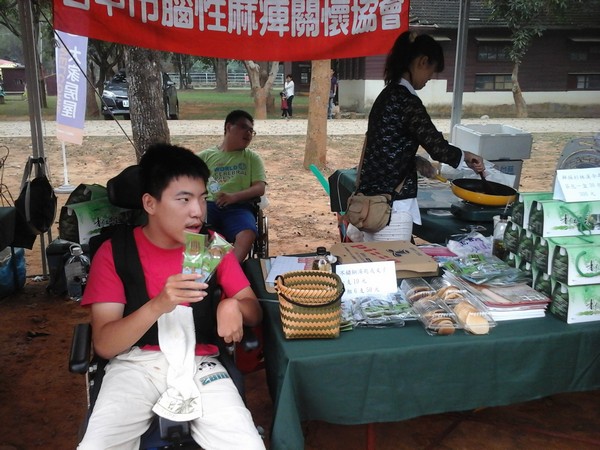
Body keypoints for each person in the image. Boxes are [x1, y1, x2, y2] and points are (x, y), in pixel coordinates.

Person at [77, 143, 265, 450]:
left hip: (201, 364)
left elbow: (253, 310)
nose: (198, 211)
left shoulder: (208, 247)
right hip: (134, 365)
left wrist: (234, 305)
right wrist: (158, 305)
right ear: (150, 203)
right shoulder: (116, 253)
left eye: (202, 198)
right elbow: (106, 345)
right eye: (184, 199)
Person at [352, 31, 484, 242]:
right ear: (422, 61)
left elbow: (387, 146)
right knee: (394, 260)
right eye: (431, 73)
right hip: (392, 206)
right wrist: (466, 156)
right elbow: (437, 147)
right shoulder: (407, 101)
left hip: (371, 203)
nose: (429, 79)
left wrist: (415, 161)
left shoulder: (387, 95)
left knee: (379, 257)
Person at [198, 110, 267, 262]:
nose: (248, 133)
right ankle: (207, 269)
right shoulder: (204, 157)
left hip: (239, 207)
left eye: (251, 131)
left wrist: (233, 197)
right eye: (244, 127)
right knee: (197, 231)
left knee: (247, 233)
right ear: (229, 127)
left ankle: (230, 270)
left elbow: (259, 187)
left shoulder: (252, 158)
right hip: (208, 207)